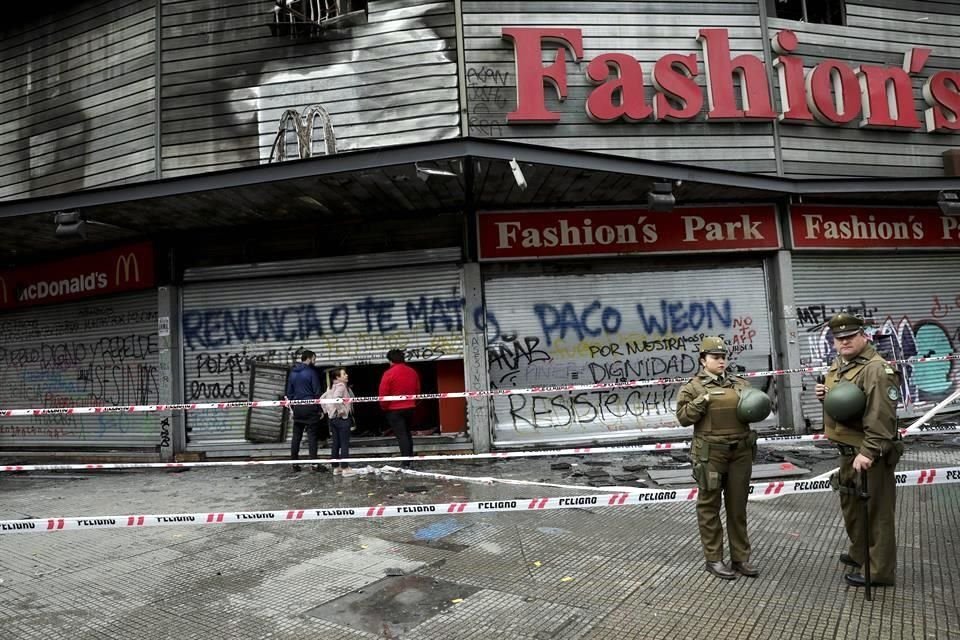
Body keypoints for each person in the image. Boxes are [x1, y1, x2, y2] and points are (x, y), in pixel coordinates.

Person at [815, 313, 903, 588]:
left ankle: (879, 571)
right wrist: (825, 394)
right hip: (847, 450)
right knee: (852, 507)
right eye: (839, 338)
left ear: (863, 335)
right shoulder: (842, 364)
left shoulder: (877, 369)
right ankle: (860, 552)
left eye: (850, 337)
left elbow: (881, 416)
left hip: (867, 452)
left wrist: (869, 451)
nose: (844, 342)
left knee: (876, 512)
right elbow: (847, 401)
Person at [676, 337, 761, 580]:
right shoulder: (692, 387)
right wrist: (701, 401)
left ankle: (740, 558)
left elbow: (755, 408)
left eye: (723, 357)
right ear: (703, 360)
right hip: (711, 454)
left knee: (737, 507)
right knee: (709, 507)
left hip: (740, 452)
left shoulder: (739, 384)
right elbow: (683, 418)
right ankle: (714, 559)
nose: (721, 361)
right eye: (715, 357)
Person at [379, 349, 420, 465]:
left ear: (391, 361)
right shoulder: (412, 372)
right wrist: (413, 402)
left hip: (394, 410)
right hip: (410, 407)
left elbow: (383, 393)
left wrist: (384, 407)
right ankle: (410, 459)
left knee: (401, 436)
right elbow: (417, 389)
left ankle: (406, 462)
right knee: (407, 434)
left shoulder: (388, 374)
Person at [285, 350, 324, 472]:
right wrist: (320, 409)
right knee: (312, 436)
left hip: (298, 408)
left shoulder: (292, 373)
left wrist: (292, 408)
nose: (315, 361)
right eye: (314, 359)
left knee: (296, 436)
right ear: (309, 358)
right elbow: (317, 392)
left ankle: (295, 464)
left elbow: (289, 393)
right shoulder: (311, 372)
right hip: (310, 407)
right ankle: (314, 464)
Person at [325, 367, 356, 477]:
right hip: (342, 419)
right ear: (338, 377)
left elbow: (323, 399)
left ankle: (336, 467)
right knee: (344, 444)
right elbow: (336, 398)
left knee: (336, 443)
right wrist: (341, 411)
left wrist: (329, 412)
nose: (346, 375)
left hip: (333, 419)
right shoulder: (341, 386)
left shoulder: (331, 386)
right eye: (344, 374)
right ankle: (345, 468)